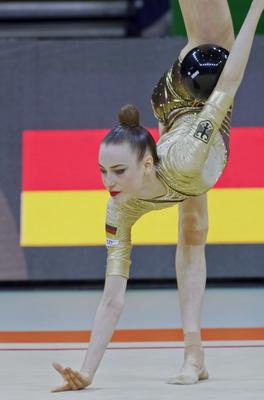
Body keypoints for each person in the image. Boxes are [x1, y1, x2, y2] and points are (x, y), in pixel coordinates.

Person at [51, 0, 264, 391]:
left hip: (196, 84)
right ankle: (193, 356)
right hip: (175, 128)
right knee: (193, 230)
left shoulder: (185, 158)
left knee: (207, 41)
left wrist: (257, 8)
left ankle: (193, 355)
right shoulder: (120, 206)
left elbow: (230, 82)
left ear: (145, 164)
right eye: (103, 172)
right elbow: (112, 298)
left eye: (117, 172)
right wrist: (86, 372)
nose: (108, 184)